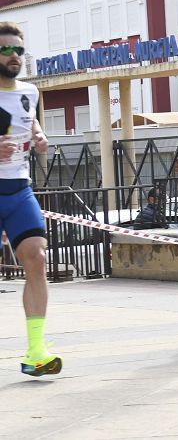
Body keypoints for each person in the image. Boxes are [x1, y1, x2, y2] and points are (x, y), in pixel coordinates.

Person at [0, 22, 60, 376]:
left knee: (37, 259)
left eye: (18, 50)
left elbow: (31, 122)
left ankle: (36, 351)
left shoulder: (30, 92)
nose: (13, 56)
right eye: (6, 49)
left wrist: (40, 136)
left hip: (19, 189)